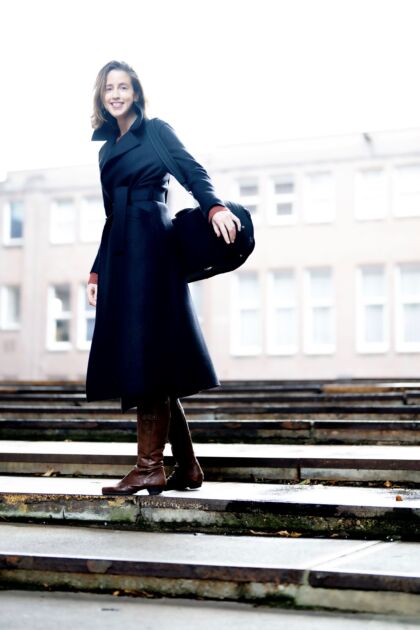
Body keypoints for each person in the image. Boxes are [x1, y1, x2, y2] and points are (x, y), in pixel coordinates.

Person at [85, 60, 241, 496]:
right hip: (121, 250)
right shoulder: (104, 151)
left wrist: (214, 207)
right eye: (109, 88)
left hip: (153, 245)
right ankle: (187, 468)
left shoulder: (155, 131)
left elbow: (192, 172)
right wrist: (97, 269)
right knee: (145, 353)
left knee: (146, 353)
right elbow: (110, 215)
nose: (116, 95)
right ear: (101, 97)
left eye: (123, 87)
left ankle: (148, 467)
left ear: (135, 92)